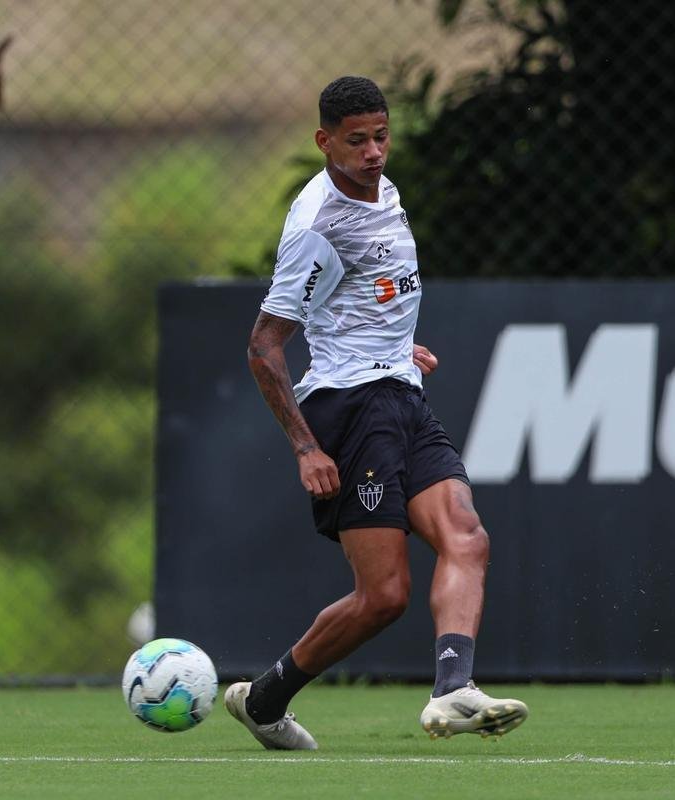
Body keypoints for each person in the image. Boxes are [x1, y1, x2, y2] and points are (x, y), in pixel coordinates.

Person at [224, 76, 528, 750]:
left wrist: (395, 345)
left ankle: (453, 690)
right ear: (323, 142)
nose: (373, 152)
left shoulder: (384, 190)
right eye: (356, 140)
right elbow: (264, 346)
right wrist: (307, 448)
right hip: (348, 411)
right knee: (384, 595)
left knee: (467, 537)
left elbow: (366, 293)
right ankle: (267, 698)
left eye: (381, 137)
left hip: (400, 393)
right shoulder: (317, 225)